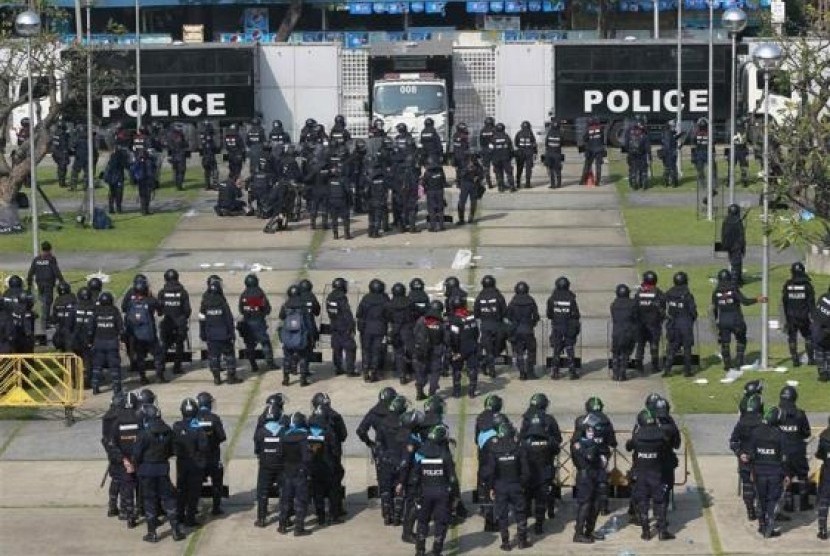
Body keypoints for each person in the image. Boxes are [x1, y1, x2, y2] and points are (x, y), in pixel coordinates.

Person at [133, 405, 186, 542]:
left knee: (149, 500)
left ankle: (152, 533)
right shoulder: (168, 431)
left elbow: (136, 455)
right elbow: (174, 451)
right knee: (169, 499)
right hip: (162, 469)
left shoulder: (144, 433)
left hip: (147, 471)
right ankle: (175, 530)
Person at [626, 409, 675, 540]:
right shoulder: (661, 437)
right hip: (657, 474)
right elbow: (666, 451)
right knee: (660, 503)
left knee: (643, 503)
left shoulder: (637, 437)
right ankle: (662, 531)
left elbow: (628, 446)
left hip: (641, 474)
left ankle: (646, 532)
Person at [413, 424, 458, 556]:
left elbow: (415, 476)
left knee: (422, 522)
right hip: (442, 493)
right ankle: (436, 551)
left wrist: (416, 494)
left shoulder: (420, 453)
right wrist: (455, 496)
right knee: (441, 522)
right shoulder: (445, 455)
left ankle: (420, 551)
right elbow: (453, 479)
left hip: (425, 492)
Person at [520, 396, 561, 533]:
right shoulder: (549, 420)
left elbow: (520, 440)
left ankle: (524, 524)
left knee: (526, 496)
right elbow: (558, 442)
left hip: (528, 469)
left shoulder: (526, 419)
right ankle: (539, 524)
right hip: (545, 467)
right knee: (542, 498)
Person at [745, 407, 787, 538]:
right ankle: (769, 527)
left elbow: (750, 454)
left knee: (760, 499)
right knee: (772, 500)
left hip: (759, 472)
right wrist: (786, 474)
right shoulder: (780, 435)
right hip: (775, 473)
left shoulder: (756, 432)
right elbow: (785, 457)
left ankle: (762, 525)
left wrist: (752, 470)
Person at [571, 413, 611, 544]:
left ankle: (589, 531)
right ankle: (578, 533)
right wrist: (598, 454)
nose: (592, 431)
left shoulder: (588, 441)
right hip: (585, 476)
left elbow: (601, 455)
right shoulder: (578, 442)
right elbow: (590, 456)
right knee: (585, 504)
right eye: (589, 429)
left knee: (597, 503)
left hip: (596, 474)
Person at [711, 268, 763, 371]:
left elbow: (714, 308)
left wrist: (717, 320)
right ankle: (739, 361)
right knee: (741, 339)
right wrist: (757, 299)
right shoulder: (733, 289)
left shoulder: (716, 292)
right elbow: (745, 302)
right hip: (736, 319)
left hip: (723, 321)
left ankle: (727, 364)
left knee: (725, 343)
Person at [105, 391, 141, 527]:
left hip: (122, 460)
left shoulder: (117, 421)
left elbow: (111, 442)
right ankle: (137, 511)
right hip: (137, 459)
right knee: (137, 486)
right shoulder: (139, 419)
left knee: (126, 486)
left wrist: (123, 459)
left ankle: (127, 513)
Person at [124, 275, 167, 385]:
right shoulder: (150, 300)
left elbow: (124, 308)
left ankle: (142, 377)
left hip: (136, 335)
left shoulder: (130, 301)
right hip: (149, 334)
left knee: (140, 357)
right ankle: (159, 376)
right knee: (158, 354)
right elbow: (161, 311)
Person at [173, 398, 208, 528]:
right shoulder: (198, 429)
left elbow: (174, 446)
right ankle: (190, 518)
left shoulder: (176, 426)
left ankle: (179, 516)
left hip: (182, 463)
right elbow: (204, 447)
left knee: (181, 490)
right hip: (196, 464)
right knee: (193, 493)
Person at [199, 275, 240, 385]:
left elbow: (202, 319)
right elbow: (229, 320)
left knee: (214, 357)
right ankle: (231, 377)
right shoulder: (222, 303)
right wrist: (232, 334)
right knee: (229, 355)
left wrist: (202, 333)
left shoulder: (205, 303)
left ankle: (216, 378)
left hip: (211, 335)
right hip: (224, 335)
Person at [729, 393, 764, 521]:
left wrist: (740, 453)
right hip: (761, 460)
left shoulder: (741, 422)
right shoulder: (763, 422)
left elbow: (733, 442)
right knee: (761, 487)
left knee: (747, 486)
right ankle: (760, 512)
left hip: (745, 460)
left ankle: (750, 511)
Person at [777, 385, 812, 513]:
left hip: (782, 452)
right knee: (803, 475)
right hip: (798, 451)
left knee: (786, 476)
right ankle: (804, 503)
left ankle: (788, 504)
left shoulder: (777, 413)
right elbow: (807, 433)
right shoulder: (800, 414)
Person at [277, 412, 313, 536]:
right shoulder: (304, 437)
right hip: (300, 472)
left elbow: (279, 454)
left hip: (287, 471)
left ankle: (282, 525)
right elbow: (307, 457)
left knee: (285, 499)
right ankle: (299, 528)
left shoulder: (284, 436)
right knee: (300, 501)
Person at [253, 401, 286, 527]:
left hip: (265, 466)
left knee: (263, 492)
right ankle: (285, 519)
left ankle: (261, 518)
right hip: (281, 466)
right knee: (284, 492)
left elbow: (257, 449)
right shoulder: (283, 431)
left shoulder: (260, 432)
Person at [196, 391, 228, 516]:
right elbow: (222, 436)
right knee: (217, 482)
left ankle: (195, 507)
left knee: (196, 483)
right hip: (213, 457)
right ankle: (216, 508)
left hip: (198, 458)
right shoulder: (214, 418)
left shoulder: (194, 417)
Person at [238, 273, 278, 372]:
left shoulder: (244, 295)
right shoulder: (259, 294)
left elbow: (241, 310)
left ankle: (253, 365)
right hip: (259, 322)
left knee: (250, 345)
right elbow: (267, 309)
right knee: (265, 343)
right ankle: (270, 363)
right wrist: (260, 313)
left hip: (247, 323)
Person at [663, 271, 698, 377]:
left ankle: (667, 370)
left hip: (673, 323)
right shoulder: (687, 295)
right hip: (685, 323)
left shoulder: (668, 294)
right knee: (687, 348)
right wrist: (692, 318)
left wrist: (666, 316)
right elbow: (693, 311)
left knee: (672, 348)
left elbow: (661, 305)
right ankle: (687, 371)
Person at [781, 262, 816, 367]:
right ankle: (811, 359)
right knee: (809, 337)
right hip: (804, 316)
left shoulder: (788, 285)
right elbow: (811, 304)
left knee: (792, 337)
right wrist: (814, 317)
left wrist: (786, 318)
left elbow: (784, 302)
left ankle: (795, 360)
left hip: (791, 317)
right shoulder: (807, 286)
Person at [88, 292, 123, 395]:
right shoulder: (114, 311)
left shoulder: (96, 311)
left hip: (98, 342)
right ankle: (117, 388)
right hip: (112, 342)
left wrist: (90, 341)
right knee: (114, 366)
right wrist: (122, 339)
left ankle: (95, 387)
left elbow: (91, 329)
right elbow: (121, 327)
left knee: (97, 366)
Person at [157, 269, 191, 376]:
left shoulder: (162, 293)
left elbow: (160, 311)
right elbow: (187, 310)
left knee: (164, 346)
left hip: (167, 323)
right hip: (180, 323)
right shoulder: (183, 292)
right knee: (179, 345)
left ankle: (160, 369)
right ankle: (177, 367)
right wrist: (182, 317)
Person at [279, 285, 314, 387]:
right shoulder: (303, 307)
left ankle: (286, 379)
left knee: (287, 357)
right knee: (303, 357)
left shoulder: (285, 306)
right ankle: (303, 380)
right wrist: (311, 336)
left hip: (288, 336)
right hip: (301, 337)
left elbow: (281, 317)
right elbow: (308, 323)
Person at [546, 276, 581, 380]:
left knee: (556, 349)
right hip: (569, 326)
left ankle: (555, 372)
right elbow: (576, 314)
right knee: (569, 348)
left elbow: (549, 314)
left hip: (557, 326)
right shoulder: (571, 299)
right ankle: (572, 371)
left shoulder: (552, 298)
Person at [446, 295, 480, 398]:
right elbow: (476, 332)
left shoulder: (454, 320)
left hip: (460, 348)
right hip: (472, 346)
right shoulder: (471, 316)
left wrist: (454, 350)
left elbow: (454, 336)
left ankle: (457, 391)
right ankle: (472, 391)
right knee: (473, 368)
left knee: (456, 369)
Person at [633, 270, 666, 375]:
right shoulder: (658, 293)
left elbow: (634, 309)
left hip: (641, 325)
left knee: (640, 345)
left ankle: (639, 367)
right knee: (654, 345)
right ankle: (655, 366)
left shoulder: (639, 293)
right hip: (654, 325)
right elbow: (663, 309)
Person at [26, 241, 64, 331]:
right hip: (48, 285)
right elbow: (56, 271)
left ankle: (45, 320)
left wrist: (29, 284)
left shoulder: (36, 259)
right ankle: (45, 322)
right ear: (50, 250)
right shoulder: (51, 259)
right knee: (47, 303)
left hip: (40, 284)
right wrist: (62, 281)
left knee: (44, 302)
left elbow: (31, 272)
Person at [413, 300, 447, 400]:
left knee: (421, 370)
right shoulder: (441, 323)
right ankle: (432, 392)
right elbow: (446, 338)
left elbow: (415, 333)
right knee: (435, 372)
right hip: (436, 349)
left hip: (421, 350)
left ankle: (420, 390)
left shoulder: (421, 320)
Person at [357, 279, 389, 382]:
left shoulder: (366, 298)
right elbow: (388, 314)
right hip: (380, 329)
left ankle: (365, 371)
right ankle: (374, 372)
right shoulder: (385, 299)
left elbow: (359, 313)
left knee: (366, 350)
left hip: (366, 329)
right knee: (376, 351)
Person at [475, 275, 507, 379]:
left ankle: (486, 365)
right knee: (497, 349)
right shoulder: (498, 296)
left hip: (485, 326)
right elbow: (504, 311)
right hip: (497, 325)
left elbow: (477, 313)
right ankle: (491, 369)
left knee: (489, 351)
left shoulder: (479, 297)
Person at [507, 281, 540, 381]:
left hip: (516, 330)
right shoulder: (531, 301)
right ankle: (530, 372)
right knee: (531, 351)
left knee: (519, 352)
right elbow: (536, 316)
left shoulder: (513, 302)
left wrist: (513, 324)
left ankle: (521, 373)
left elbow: (508, 315)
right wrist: (532, 324)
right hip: (528, 330)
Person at [326, 277, 357, 376]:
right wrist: (352, 325)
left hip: (334, 325)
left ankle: (338, 368)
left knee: (336, 348)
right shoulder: (341, 297)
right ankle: (350, 370)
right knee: (350, 348)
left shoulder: (330, 297)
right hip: (343, 326)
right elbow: (346, 312)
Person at [386, 283, 416, 384]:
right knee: (412, 352)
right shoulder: (409, 302)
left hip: (395, 329)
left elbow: (388, 316)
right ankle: (415, 371)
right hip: (408, 329)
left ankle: (402, 375)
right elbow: (414, 314)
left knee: (399, 353)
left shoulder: (390, 304)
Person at [610, 283, 638, 381]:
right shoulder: (633, 304)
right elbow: (636, 317)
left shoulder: (614, 305)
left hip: (617, 332)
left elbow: (614, 317)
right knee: (625, 353)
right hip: (628, 332)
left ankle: (614, 373)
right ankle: (622, 374)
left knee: (615, 353)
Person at [721, 204, 747, 286]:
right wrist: (743, 247)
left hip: (729, 245)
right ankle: (735, 281)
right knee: (736, 263)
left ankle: (738, 279)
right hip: (736, 246)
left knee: (735, 262)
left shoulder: (726, 221)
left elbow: (723, 234)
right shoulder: (738, 221)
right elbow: (741, 236)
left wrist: (724, 245)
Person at [456, 152, 484, 226]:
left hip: (474, 185)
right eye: (472, 160)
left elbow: (482, 175)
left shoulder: (478, 166)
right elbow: (460, 174)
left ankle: (471, 217)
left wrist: (478, 177)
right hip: (465, 184)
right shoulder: (464, 165)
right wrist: (467, 169)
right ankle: (461, 219)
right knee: (462, 202)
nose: (473, 162)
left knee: (473, 201)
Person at [327, 165, 353, 240]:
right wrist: (350, 202)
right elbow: (348, 191)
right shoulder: (344, 179)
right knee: (345, 219)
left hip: (332, 201)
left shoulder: (330, 180)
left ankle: (335, 235)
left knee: (334, 219)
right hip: (342, 201)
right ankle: (346, 235)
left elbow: (328, 191)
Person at [692, 118, 716, 195]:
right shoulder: (696, 133)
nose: (702, 127)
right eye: (701, 126)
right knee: (700, 169)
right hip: (699, 153)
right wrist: (693, 156)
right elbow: (693, 145)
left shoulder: (710, 133)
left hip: (708, 152)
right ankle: (703, 184)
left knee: (713, 168)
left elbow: (713, 144)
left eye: (704, 126)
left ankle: (714, 183)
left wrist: (713, 153)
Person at [366, 163, 390, 238]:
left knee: (371, 217)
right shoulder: (383, 178)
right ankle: (375, 233)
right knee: (378, 217)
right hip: (380, 200)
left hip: (371, 200)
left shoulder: (370, 178)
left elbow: (367, 191)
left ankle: (370, 232)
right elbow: (387, 188)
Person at [815, 416, 830, 540]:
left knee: (824, 500)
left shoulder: (824, 436)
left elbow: (819, 454)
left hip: (827, 472)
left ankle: (822, 530)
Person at [625, 120, 650, 190]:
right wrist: (649, 155)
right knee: (643, 169)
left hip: (631, 154)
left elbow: (626, 144)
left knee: (632, 169)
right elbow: (647, 147)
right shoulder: (644, 134)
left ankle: (632, 183)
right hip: (642, 154)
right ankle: (643, 184)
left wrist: (628, 151)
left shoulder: (629, 133)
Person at [490, 123, 515, 193]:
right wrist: (511, 156)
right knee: (509, 172)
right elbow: (511, 148)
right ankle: (512, 186)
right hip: (506, 158)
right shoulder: (506, 136)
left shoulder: (493, 138)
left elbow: (490, 149)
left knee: (498, 173)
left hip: (496, 158)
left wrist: (492, 158)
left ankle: (501, 187)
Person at [130, 149, 157, 215]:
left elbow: (132, 169)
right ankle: (145, 210)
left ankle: (144, 210)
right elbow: (153, 170)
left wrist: (135, 178)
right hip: (147, 180)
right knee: (146, 195)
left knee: (143, 195)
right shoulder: (149, 161)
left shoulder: (138, 161)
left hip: (141, 180)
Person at [423, 161, 447, 232]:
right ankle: (441, 226)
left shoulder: (427, 173)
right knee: (440, 209)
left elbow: (424, 183)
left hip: (431, 192)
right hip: (440, 191)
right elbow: (444, 182)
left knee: (431, 209)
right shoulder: (441, 172)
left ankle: (433, 227)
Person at [50, 282, 75, 352]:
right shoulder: (73, 299)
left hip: (60, 330)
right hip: (70, 330)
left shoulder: (57, 301)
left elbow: (54, 318)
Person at [580, 118, 605, 186]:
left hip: (590, 150)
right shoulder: (600, 128)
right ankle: (598, 182)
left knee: (587, 165)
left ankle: (583, 181)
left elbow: (584, 139)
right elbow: (602, 139)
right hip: (599, 149)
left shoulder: (588, 129)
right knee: (598, 166)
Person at [813, 285, 830, 382]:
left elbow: (816, 312)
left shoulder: (822, 297)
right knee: (828, 350)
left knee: (819, 350)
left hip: (817, 329)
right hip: (827, 331)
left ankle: (822, 372)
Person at [514, 120, 537, 188]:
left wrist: (521, 147)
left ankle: (518, 184)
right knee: (528, 169)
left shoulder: (518, 133)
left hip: (520, 152)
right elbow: (534, 144)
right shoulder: (530, 134)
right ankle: (527, 184)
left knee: (519, 168)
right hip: (529, 153)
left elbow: (516, 143)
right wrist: (535, 152)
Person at [658, 121, 681, 188]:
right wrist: (675, 149)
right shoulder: (668, 133)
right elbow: (669, 144)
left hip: (666, 153)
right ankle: (673, 183)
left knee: (667, 168)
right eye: (673, 126)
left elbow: (672, 139)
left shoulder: (665, 132)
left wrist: (679, 135)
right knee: (671, 168)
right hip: (669, 153)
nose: (674, 128)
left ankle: (666, 183)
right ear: (670, 126)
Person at [544, 118, 564, 189]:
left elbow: (546, 143)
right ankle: (559, 184)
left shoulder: (549, 132)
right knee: (558, 169)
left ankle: (552, 184)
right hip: (557, 153)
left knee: (551, 169)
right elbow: (562, 143)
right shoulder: (560, 133)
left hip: (549, 153)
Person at [50, 121, 71, 188]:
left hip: (56, 153)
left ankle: (60, 181)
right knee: (63, 168)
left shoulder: (56, 133)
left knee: (60, 168)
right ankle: (62, 183)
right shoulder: (63, 134)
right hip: (62, 153)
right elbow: (64, 145)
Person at [167, 124, 188, 191]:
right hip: (179, 155)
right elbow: (183, 144)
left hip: (174, 155)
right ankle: (179, 185)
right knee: (181, 171)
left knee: (176, 171)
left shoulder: (170, 135)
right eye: (179, 127)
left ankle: (177, 185)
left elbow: (169, 146)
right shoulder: (179, 135)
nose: (180, 128)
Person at [199, 122, 220, 190]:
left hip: (205, 157)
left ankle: (207, 185)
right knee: (214, 170)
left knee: (207, 171)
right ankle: (215, 185)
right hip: (210, 156)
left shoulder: (202, 138)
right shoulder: (210, 138)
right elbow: (215, 148)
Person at [479, 117, 496, 188]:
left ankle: (489, 183)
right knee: (497, 166)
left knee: (486, 167)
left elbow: (481, 142)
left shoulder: (482, 130)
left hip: (485, 150)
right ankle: (500, 182)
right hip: (494, 151)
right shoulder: (494, 129)